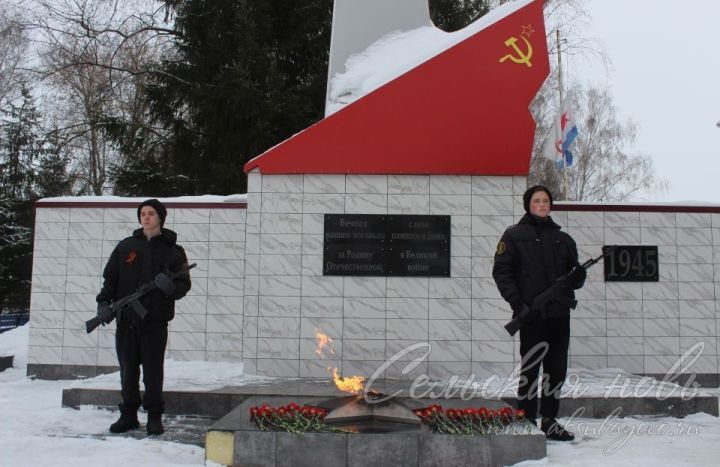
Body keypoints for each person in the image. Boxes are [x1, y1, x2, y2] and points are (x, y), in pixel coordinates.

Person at [492, 185, 586, 441]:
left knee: (556, 369)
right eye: (537, 201)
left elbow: (575, 277)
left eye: (546, 201)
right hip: (532, 315)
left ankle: (549, 420)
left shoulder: (563, 239)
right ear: (528, 205)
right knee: (531, 369)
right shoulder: (513, 236)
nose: (543, 205)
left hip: (559, 315)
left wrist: (579, 275)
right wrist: (518, 305)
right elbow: (502, 272)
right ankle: (526, 418)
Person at [96, 199, 191, 436]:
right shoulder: (125, 246)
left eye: (151, 214)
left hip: (155, 322)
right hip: (126, 320)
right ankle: (128, 415)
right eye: (143, 214)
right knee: (128, 370)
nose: (146, 217)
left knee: (152, 371)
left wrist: (169, 287)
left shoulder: (173, 251)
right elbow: (111, 278)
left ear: (160, 218)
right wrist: (103, 303)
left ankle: (154, 416)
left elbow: (183, 284)